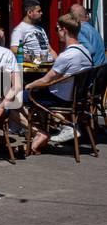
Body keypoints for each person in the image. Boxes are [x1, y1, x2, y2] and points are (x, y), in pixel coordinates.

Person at [25, 13, 93, 153]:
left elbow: (46, 80)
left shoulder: (67, 55)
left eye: (57, 29)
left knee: (16, 98)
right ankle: (63, 125)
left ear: (64, 30)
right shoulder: (85, 51)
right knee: (37, 92)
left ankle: (41, 132)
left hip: (61, 98)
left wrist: (28, 86)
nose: (57, 33)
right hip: (77, 97)